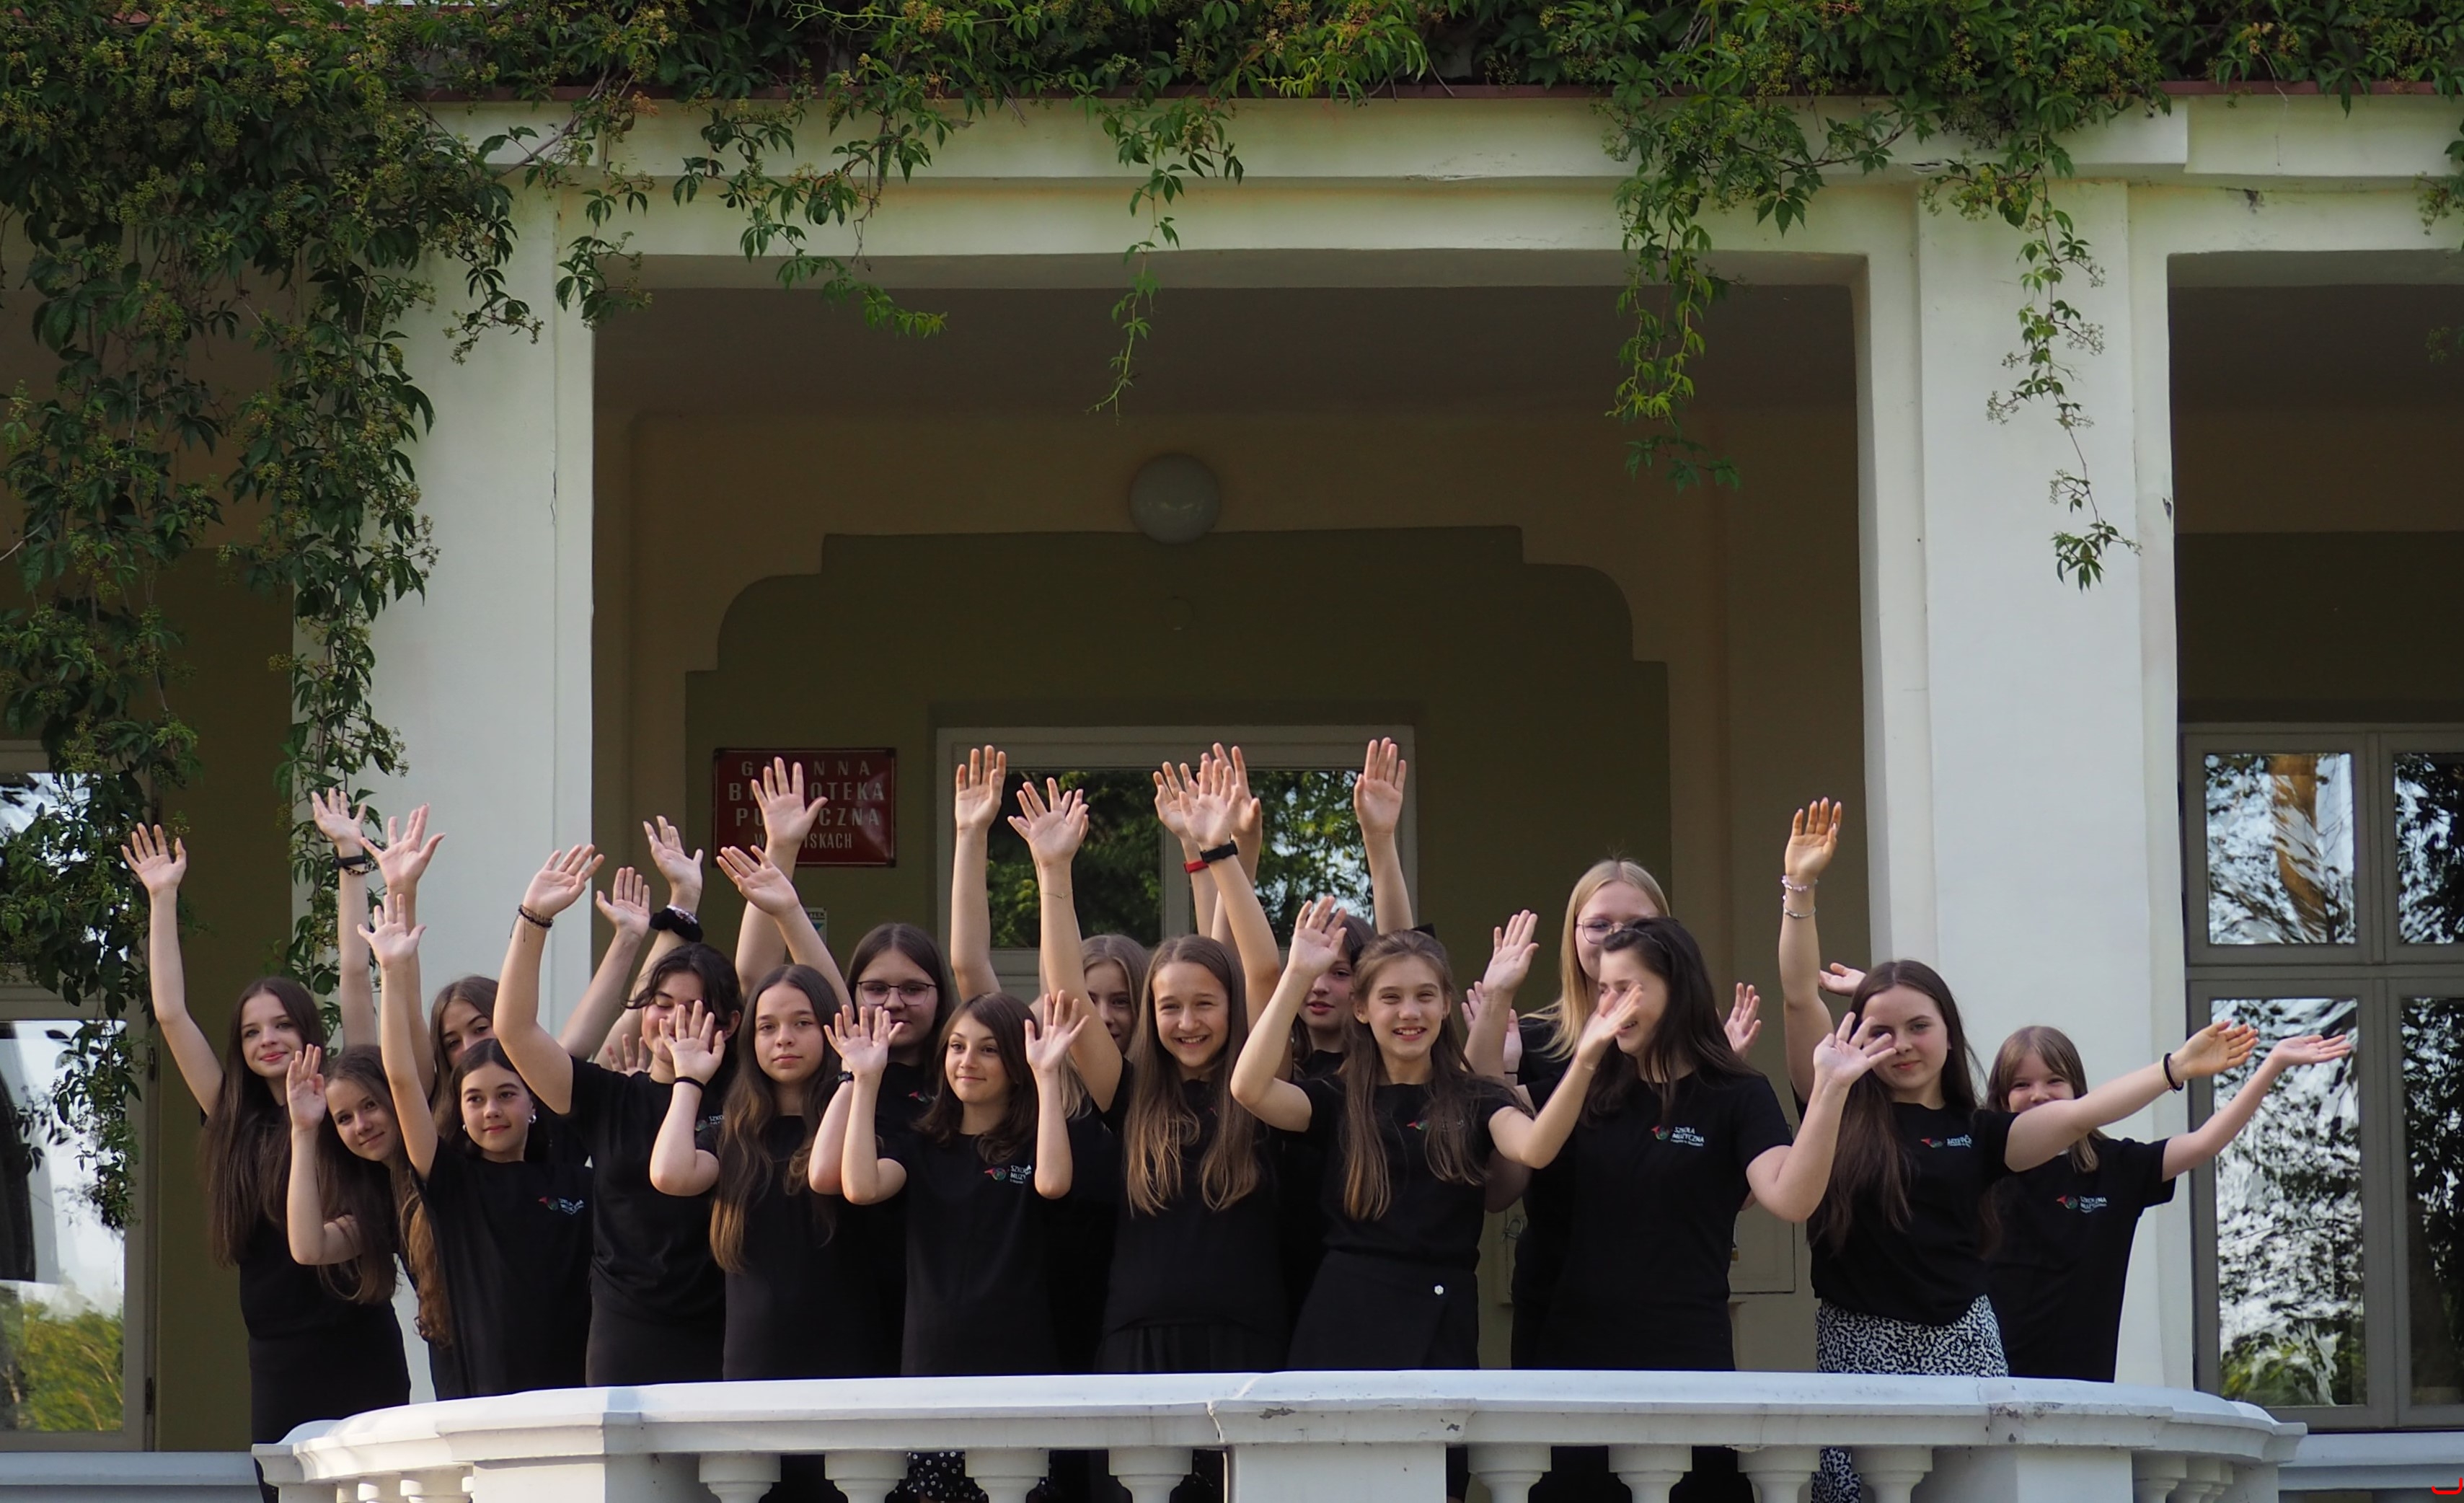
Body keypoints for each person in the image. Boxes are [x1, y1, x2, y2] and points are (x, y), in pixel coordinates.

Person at [1773, 800, 2257, 1503]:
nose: (1901, 1045)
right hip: (1861, 1343)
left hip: (1965, 1342)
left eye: (1919, 1026)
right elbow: (1797, 997)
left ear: (1948, 1033)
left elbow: (2082, 1113)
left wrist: (2174, 1067)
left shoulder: (1982, 1130)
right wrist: (1801, 888)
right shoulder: (1834, 1102)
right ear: (1854, 1035)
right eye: (1881, 1030)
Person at [124, 821, 408, 1477]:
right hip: (278, 1356)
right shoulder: (234, 1119)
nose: (268, 1040)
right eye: (253, 1032)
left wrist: (350, 861)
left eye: (283, 1024)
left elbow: (355, 976)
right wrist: (162, 898)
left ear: (309, 1031)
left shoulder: (344, 1103)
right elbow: (170, 1014)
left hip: (359, 1341)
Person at [834, 991, 1102, 1503]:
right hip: (931, 1373)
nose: (967, 1061)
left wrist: (1047, 1075)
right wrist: (865, 1080)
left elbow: (1052, 1183)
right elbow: (861, 1187)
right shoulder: (920, 1144)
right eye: (957, 1046)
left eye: (988, 1049)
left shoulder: (1036, 1143)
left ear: (1016, 1063)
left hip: (1019, 1374)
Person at [1983, 1021, 2351, 1382]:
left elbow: (2204, 1143)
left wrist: (2273, 1064)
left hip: (2085, 1391)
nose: (2039, 1095)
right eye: (2021, 1085)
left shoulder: (2114, 1167)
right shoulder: (1981, 1171)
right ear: (2001, 1098)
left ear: (2080, 1092)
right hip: (1988, 1387)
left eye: (2054, 1080)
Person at [492, 844, 737, 1384]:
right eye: (661, 1005)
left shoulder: (743, 1101)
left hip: (723, 1329)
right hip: (627, 1331)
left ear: (729, 1024)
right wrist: (534, 917)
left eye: (692, 1009)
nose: (671, 1021)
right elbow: (513, 1030)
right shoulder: (609, 1098)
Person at [364, 893, 592, 1394]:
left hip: (571, 1397)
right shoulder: (453, 1183)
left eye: (506, 1095)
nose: (491, 1110)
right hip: (482, 1402)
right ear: (461, 1113)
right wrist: (393, 972)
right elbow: (401, 1080)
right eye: (475, 1099)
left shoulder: (578, 1183)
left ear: (533, 1102)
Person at [650, 967, 881, 1378]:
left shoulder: (860, 1126)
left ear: (831, 1030)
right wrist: (688, 1078)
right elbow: (670, 1175)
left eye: (802, 1023)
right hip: (754, 1362)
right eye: (767, 1027)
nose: (783, 1038)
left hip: (849, 1358)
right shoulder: (733, 1135)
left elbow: (826, 1174)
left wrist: (851, 1077)